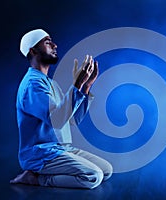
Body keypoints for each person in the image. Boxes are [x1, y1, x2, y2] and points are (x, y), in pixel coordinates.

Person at [10, 29, 112, 189]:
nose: (54, 45)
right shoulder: (33, 85)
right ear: (33, 50)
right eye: (47, 41)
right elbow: (56, 120)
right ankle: (36, 179)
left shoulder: (51, 83)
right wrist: (76, 84)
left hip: (62, 149)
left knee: (106, 170)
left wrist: (85, 86)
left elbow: (72, 120)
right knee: (93, 176)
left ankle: (46, 174)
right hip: (41, 154)